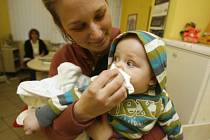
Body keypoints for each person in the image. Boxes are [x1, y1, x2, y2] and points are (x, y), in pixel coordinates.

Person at [22, 0, 167, 139]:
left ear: (107, 4)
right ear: (63, 28)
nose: (97, 35)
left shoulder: (135, 47)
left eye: (100, 15)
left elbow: (160, 121)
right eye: (79, 26)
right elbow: (51, 133)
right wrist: (83, 111)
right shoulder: (63, 61)